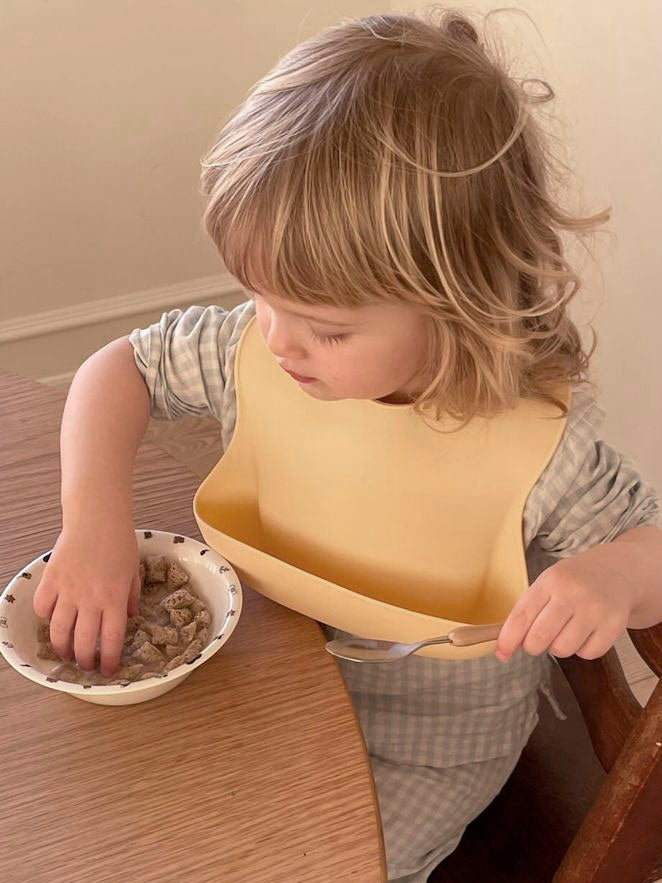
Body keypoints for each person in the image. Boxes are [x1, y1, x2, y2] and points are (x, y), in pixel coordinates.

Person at [34, 9, 661, 882]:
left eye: (327, 329)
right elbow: (121, 367)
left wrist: (617, 575)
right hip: (266, 676)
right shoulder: (256, 351)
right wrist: (92, 524)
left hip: (425, 747)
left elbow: (654, 551)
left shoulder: (542, 450)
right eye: (259, 297)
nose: (277, 341)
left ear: (458, 301)